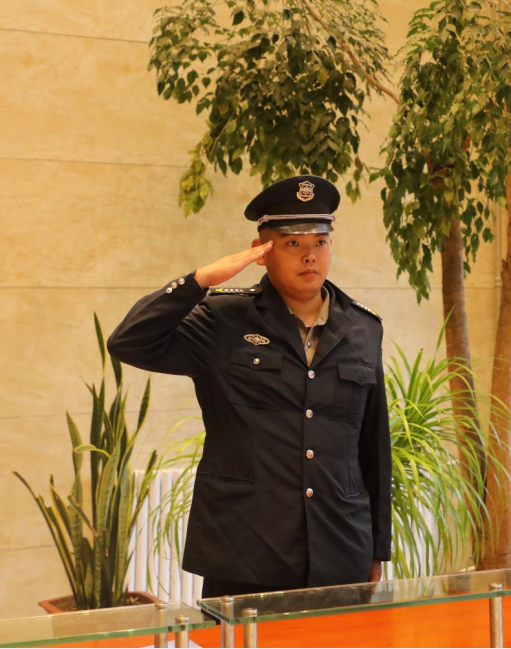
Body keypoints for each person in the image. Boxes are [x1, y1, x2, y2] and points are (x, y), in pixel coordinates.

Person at [107, 175, 391, 599]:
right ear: (262, 250)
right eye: (293, 243)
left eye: (320, 242)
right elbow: (129, 341)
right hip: (245, 550)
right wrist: (200, 280)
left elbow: (373, 444)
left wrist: (377, 546)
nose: (310, 256)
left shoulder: (363, 328)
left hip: (341, 546)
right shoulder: (224, 318)